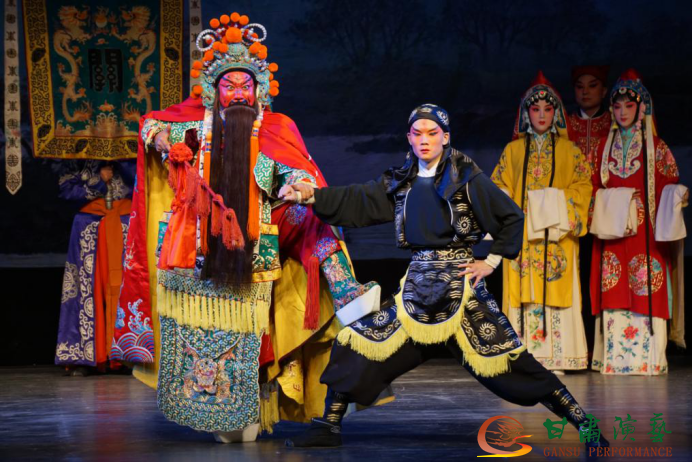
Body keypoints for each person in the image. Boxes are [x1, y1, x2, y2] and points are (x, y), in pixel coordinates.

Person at [111, 12, 378, 440]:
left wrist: (298, 186)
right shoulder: (194, 124)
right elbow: (151, 123)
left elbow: (296, 169)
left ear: (259, 89)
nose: (238, 93)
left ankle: (346, 290)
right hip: (202, 242)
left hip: (258, 235)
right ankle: (225, 411)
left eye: (245, 85)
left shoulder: (275, 126)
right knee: (214, 335)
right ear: (213, 89)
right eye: (229, 85)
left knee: (312, 220)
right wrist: (163, 143)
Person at [281, 104, 608, 449]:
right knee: (355, 342)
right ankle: (328, 426)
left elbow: (511, 217)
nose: (424, 140)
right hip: (416, 296)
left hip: (460, 294)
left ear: (445, 137)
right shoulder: (401, 182)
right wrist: (310, 194)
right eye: (417, 133)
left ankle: (585, 426)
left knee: (515, 365)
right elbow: (359, 199)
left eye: (432, 133)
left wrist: (490, 262)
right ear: (409, 138)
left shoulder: (467, 178)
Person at [491, 72, 592, 373]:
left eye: (548, 109)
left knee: (556, 285)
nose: (542, 115)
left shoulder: (570, 151)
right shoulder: (512, 151)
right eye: (536, 109)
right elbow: (498, 187)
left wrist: (553, 201)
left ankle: (559, 357)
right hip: (522, 237)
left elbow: (583, 188)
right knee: (520, 290)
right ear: (526, 114)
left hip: (556, 237)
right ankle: (523, 358)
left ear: (556, 113)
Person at [590, 69, 686, 375]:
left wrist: (677, 194)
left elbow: (669, 182)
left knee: (647, 284)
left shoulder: (657, 147)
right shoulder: (602, 148)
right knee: (614, 286)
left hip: (646, 233)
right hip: (614, 234)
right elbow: (592, 187)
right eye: (617, 106)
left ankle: (649, 359)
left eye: (629, 106)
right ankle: (615, 360)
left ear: (642, 107)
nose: (622, 112)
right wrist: (611, 201)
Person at [55, 160, 135, 376]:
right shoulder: (77, 155)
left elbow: (143, 184)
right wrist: (99, 181)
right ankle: (85, 357)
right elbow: (66, 191)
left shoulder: (131, 153)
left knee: (126, 288)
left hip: (126, 223)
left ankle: (127, 355)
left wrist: (122, 165)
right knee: (86, 288)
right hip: (89, 225)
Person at [568, 66, 612, 173]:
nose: (585, 92)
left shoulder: (614, 123)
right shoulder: (565, 124)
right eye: (580, 87)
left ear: (604, 91)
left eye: (592, 86)